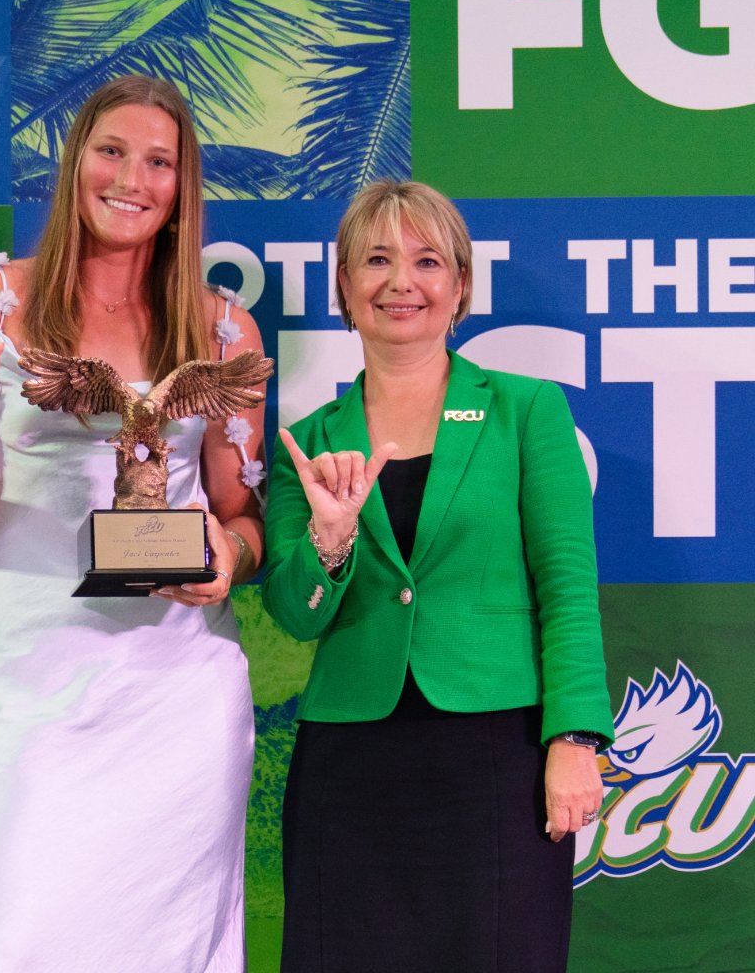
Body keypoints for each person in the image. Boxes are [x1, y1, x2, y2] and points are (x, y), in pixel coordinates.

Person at [0, 75, 266, 972]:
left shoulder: (223, 332)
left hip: (181, 699)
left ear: (183, 187)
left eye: (159, 161)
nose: (132, 177)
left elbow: (245, 518)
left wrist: (229, 553)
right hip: (31, 698)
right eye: (111, 151)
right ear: (73, 163)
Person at [261, 180, 614, 973]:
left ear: (459, 288)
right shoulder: (309, 443)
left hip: (498, 753)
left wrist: (575, 737)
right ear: (345, 287)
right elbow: (295, 612)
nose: (401, 282)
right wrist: (329, 539)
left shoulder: (526, 411)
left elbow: (567, 586)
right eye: (376, 260)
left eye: (426, 261)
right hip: (350, 766)